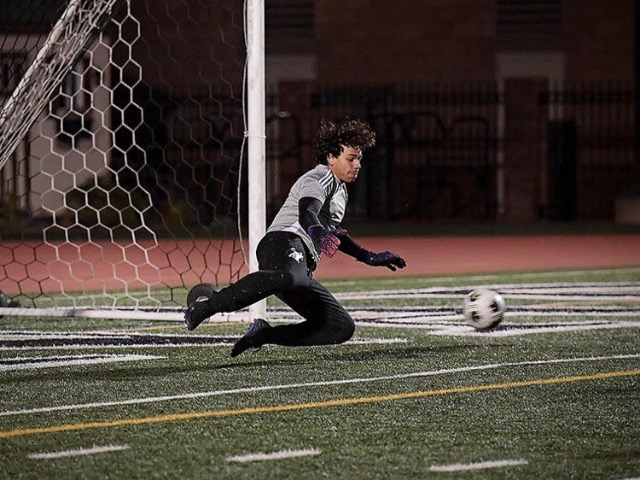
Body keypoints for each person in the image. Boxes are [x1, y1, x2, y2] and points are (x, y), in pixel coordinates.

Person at [184, 118, 407, 357]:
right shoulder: (320, 177)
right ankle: (208, 306)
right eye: (350, 158)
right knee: (292, 276)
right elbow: (307, 213)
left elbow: (333, 231)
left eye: (359, 158)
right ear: (331, 158)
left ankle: (263, 334)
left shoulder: (340, 190)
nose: (357, 164)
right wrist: (319, 233)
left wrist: (368, 256)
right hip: (283, 242)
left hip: (298, 266)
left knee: (340, 326)